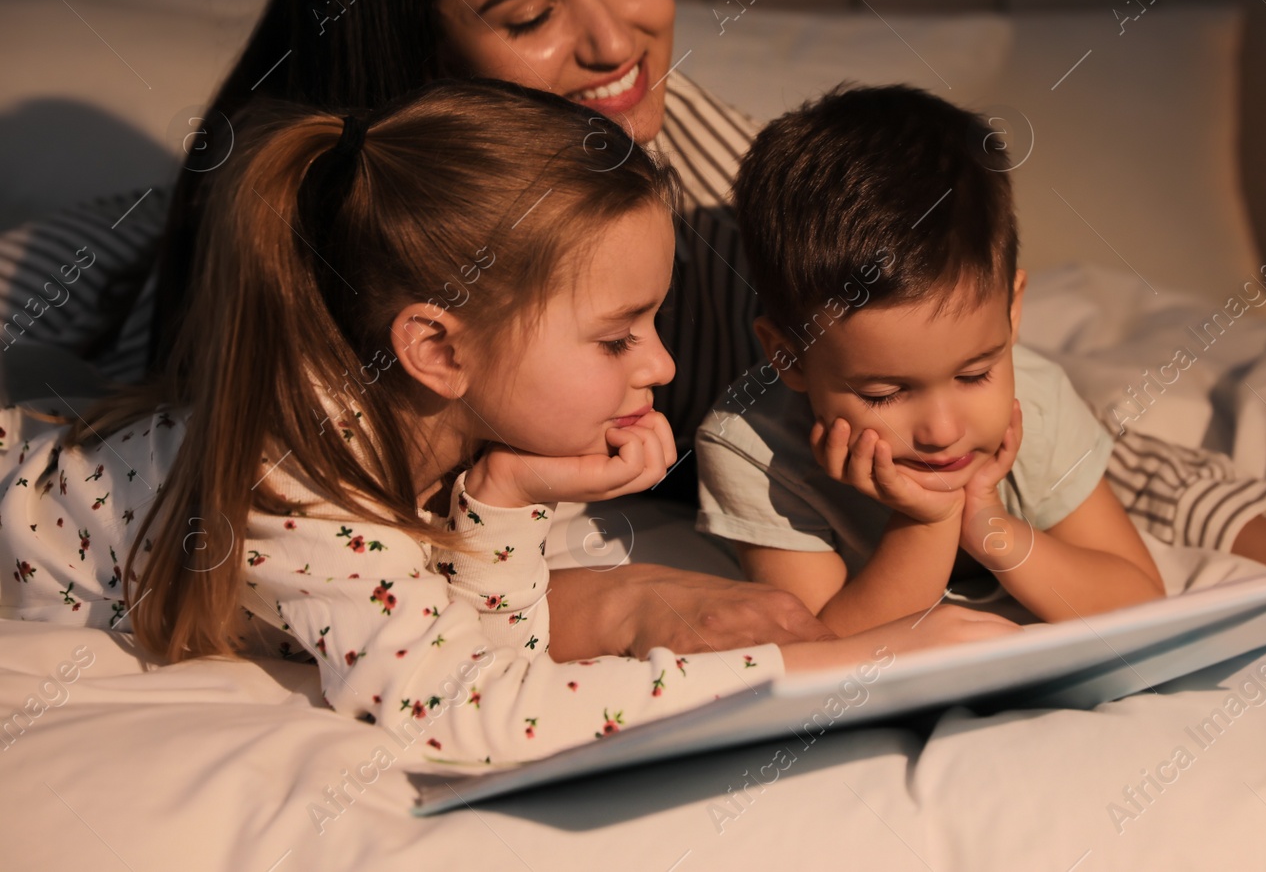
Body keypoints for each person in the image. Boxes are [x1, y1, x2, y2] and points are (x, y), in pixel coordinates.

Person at [0, 0, 1266, 650]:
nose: (614, 39)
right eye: (528, 12)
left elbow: (995, 388)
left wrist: (1259, 521)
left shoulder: (703, 175)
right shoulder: (295, 217)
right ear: (409, 53)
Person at [0, 80, 1016, 762]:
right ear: (437, 349)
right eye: (617, 335)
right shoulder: (296, 475)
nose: (662, 364)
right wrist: (848, 661)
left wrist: (505, 499)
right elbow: (465, 715)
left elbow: (484, 649)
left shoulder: (452, 433)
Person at [697, 86, 1266, 627]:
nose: (941, 427)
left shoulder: (1030, 396)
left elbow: (1134, 595)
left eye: (974, 371)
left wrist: (994, 528)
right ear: (789, 355)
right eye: (883, 392)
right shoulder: (748, 448)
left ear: (1014, 312)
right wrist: (929, 522)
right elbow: (828, 645)